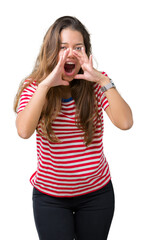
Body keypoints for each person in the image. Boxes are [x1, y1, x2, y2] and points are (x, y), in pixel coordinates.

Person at [14, 16, 133, 240]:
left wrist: (101, 80)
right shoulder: (35, 87)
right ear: (50, 51)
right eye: (62, 48)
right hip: (50, 197)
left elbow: (126, 123)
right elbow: (23, 131)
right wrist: (46, 84)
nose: (70, 54)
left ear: (86, 52)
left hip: (97, 194)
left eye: (77, 47)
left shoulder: (98, 84)